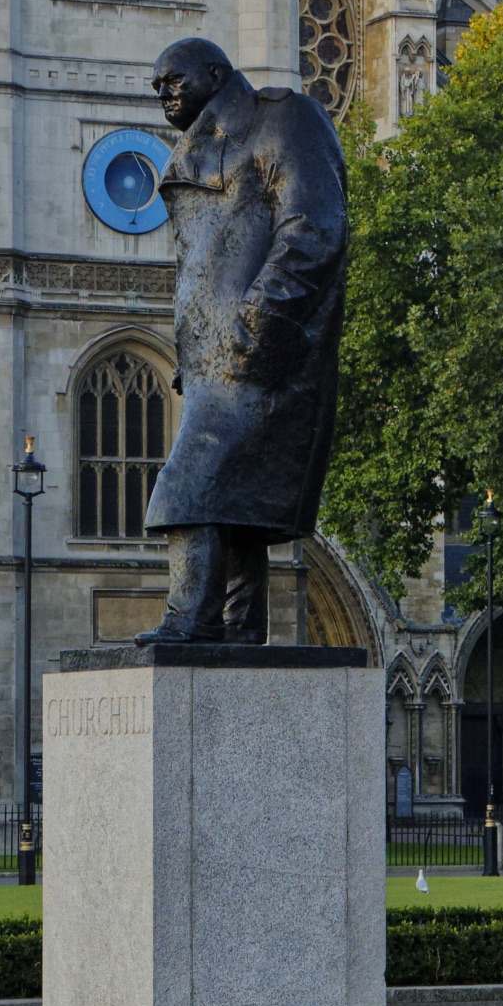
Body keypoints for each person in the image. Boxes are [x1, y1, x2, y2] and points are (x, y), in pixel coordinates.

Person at [136, 37, 348, 644]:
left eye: (172, 80)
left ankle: (189, 617)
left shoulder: (280, 118)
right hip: (212, 359)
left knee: (190, 487)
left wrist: (259, 319)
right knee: (236, 506)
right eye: (156, 89)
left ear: (214, 73)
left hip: (267, 350)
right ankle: (237, 626)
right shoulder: (194, 150)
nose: (164, 96)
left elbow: (315, 227)